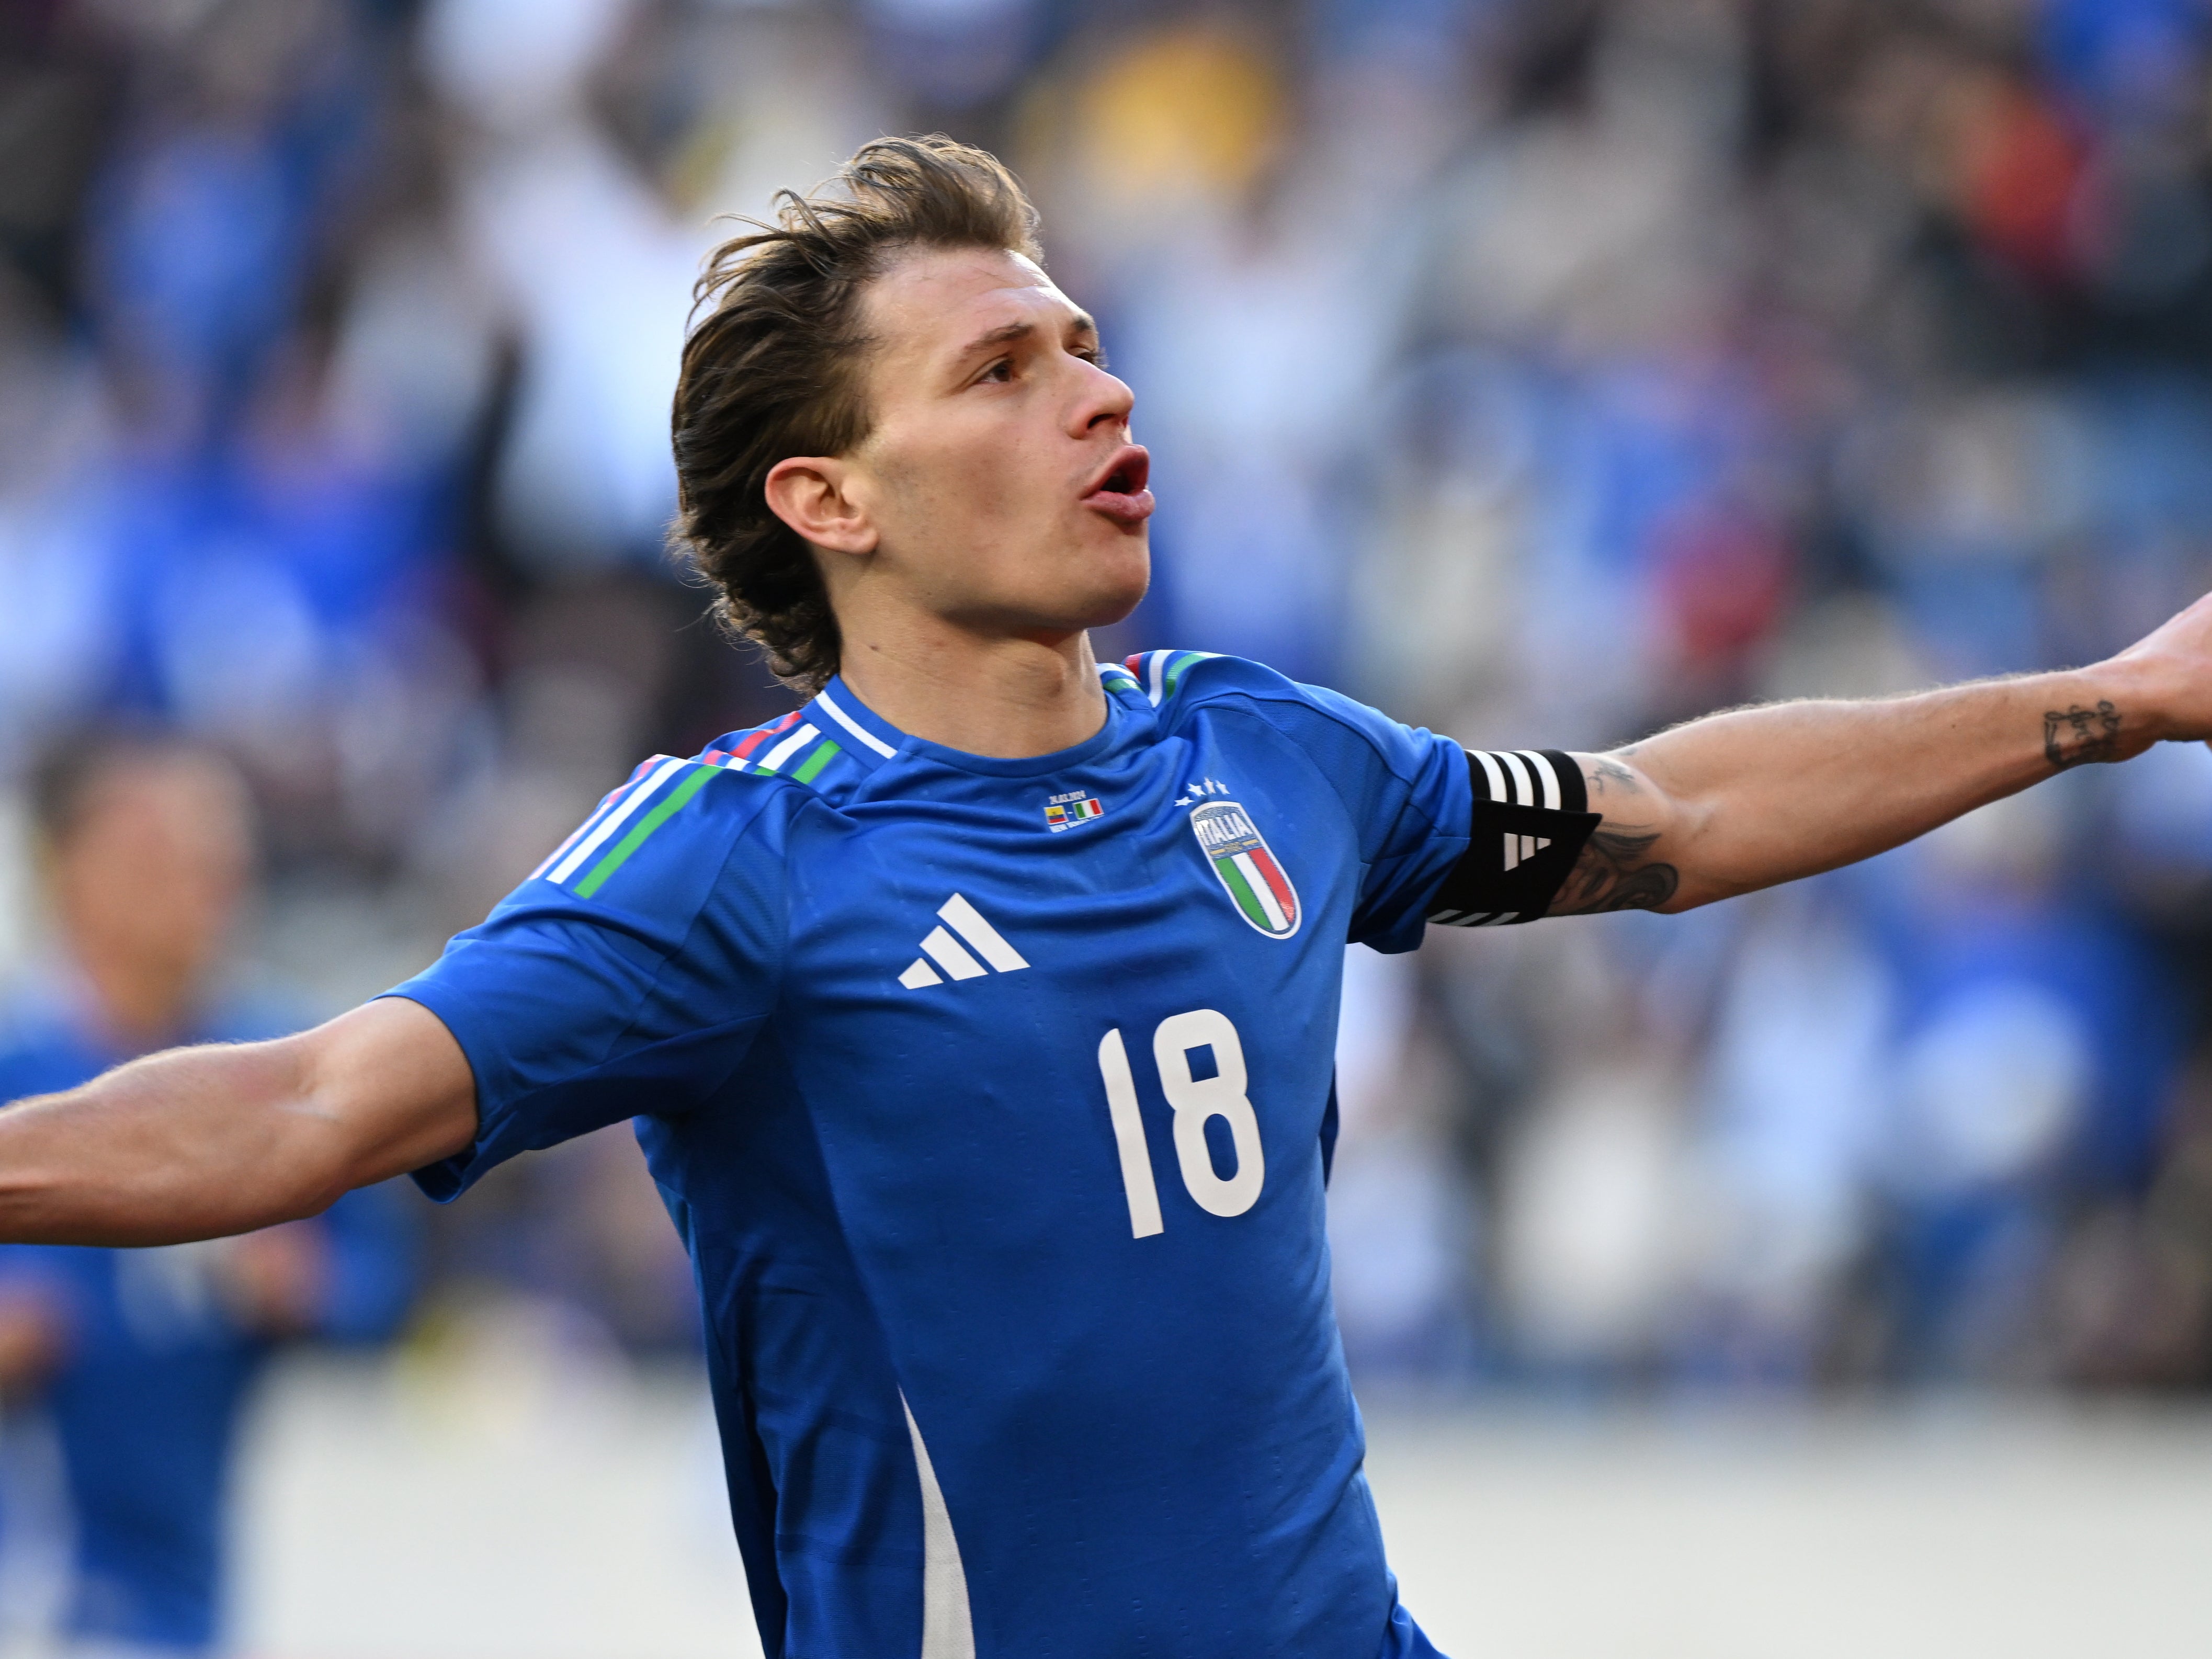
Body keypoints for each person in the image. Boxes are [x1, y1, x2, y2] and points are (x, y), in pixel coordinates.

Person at [0, 135, 2207, 1658]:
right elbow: (309, 1107)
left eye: (1081, 341)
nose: (1098, 389)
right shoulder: (736, 862)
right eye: (1003, 368)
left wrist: (2115, 697)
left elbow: (1667, 814)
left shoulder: (1261, 751)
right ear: (824, 499)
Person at [0, 735, 414, 1656]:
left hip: (176, 1587)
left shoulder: (281, 1070)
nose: (202, 885)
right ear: (63, 868)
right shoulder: (16, 1065)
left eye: (224, 858)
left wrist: (305, 1289)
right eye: (161, 853)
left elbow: (380, 1287)